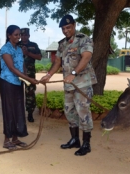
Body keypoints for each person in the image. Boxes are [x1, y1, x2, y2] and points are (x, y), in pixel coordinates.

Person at [40, 14, 97, 156]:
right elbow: (57, 62)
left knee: (83, 112)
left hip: (82, 83)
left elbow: (86, 57)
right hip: (69, 85)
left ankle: (86, 144)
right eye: (63, 28)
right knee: (69, 111)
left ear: (74, 25)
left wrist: (73, 73)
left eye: (68, 27)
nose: (66, 30)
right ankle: (75, 139)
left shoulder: (83, 39)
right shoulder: (62, 44)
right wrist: (48, 75)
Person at [0, 25, 39, 150]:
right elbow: (11, 68)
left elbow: (22, 65)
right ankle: (7, 139)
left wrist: (26, 77)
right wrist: (28, 79)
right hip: (7, 82)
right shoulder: (5, 49)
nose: (18, 37)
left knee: (18, 109)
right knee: (9, 110)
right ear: (9, 35)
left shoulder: (19, 49)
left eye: (19, 35)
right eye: (16, 35)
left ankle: (15, 138)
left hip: (18, 82)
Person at [18, 28, 42, 122]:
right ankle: (18, 113)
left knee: (30, 93)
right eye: (22, 35)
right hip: (18, 73)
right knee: (17, 94)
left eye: (25, 35)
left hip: (30, 74)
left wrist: (28, 53)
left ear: (29, 35)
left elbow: (39, 57)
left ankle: (30, 113)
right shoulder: (16, 45)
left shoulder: (33, 45)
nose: (24, 37)